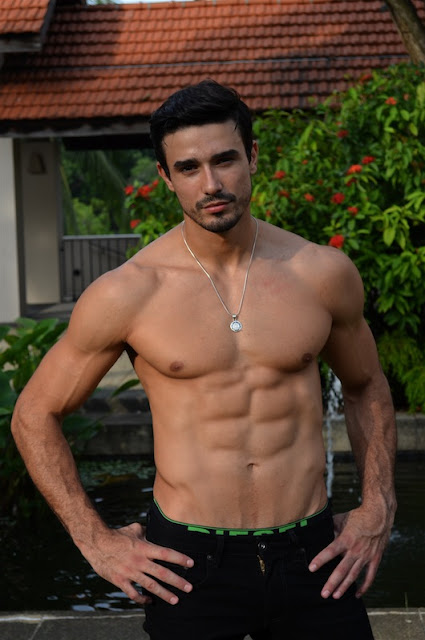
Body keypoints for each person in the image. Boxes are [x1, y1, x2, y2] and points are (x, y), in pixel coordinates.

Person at [11, 80, 397, 640]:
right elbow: (34, 413)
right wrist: (94, 539)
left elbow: (365, 387)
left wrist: (377, 507)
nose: (211, 184)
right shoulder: (129, 292)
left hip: (313, 555)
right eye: (188, 168)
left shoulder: (320, 273)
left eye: (225, 160)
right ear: (165, 177)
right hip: (189, 566)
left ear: (252, 156)